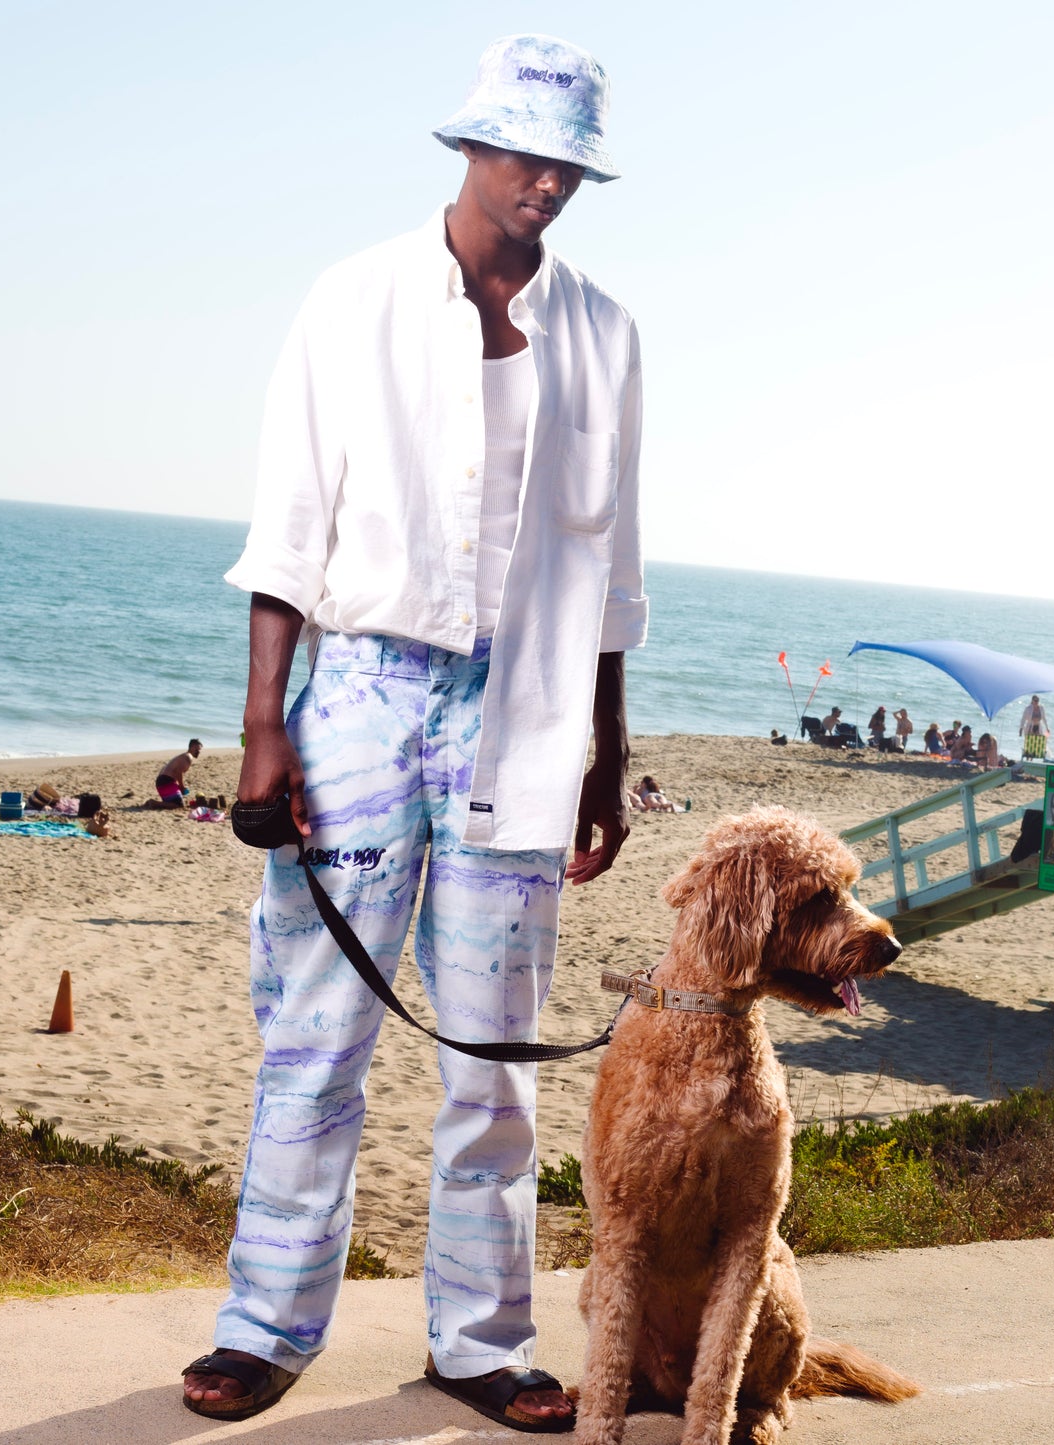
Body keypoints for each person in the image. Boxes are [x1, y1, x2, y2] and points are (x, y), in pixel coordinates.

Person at [184, 36, 644, 1429]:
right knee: (314, 1032)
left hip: (533, 711)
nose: (544, 183)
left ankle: (479, 1341)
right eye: (521, 154)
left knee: (492, 1053)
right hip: (363, 695)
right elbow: (288, 528)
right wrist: (264, 729)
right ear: (465, 147)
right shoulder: (353, 299)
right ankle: (266, 1324)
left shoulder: (607, 334)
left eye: (566, 163)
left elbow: (612, 562)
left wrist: (605, 755)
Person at [152, 739, 202, 808]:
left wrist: (177, 785)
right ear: (192, 747)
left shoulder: (183, 756)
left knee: (174, 802)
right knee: (178, 805)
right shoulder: (188, 757)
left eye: (200, 750)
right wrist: (182, 787)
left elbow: (170, 771)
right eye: (197, 749)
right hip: (166, 782)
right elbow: (178, 772)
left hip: (161, 781)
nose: (199, 752)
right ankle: (153, 803)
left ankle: (155, 803)